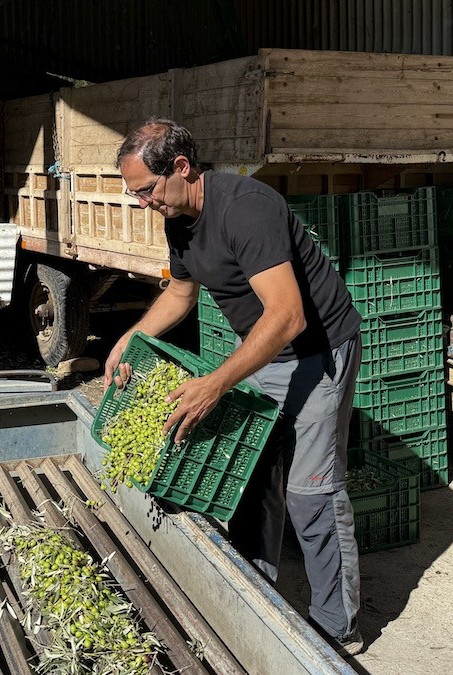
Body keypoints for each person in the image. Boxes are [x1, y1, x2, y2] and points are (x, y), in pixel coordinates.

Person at [103, 117, 365, 656]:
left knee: (310, 494)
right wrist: (128, 340)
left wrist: (215, 383)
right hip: (266, 350)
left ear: (181, 168)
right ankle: (259, 593)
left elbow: (289, 316)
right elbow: (180, 294)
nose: (143, 204)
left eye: (146, 191)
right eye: (135, 195)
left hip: (316, 352)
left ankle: (337, 631)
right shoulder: (178, 216)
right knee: (252, 479)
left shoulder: (246, 207)